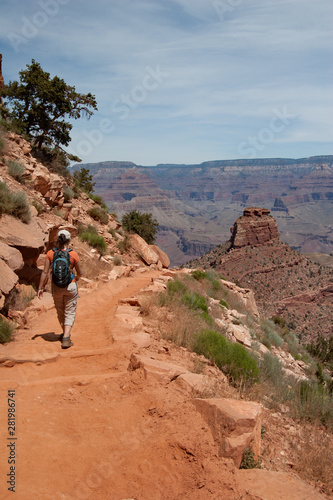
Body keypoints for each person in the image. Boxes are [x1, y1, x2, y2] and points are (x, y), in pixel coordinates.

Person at [38, 229, 81, 349]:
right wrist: (77, 277)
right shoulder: (73, 254)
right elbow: (80, 272)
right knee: (70, 311)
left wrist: (40, 287)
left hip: (56, 287)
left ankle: (64, 333)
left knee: (60, 310)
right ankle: (66, 337)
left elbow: (45, 272)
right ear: (69, 240)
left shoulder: (50, 253)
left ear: (57, 239)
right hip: (70, 286)